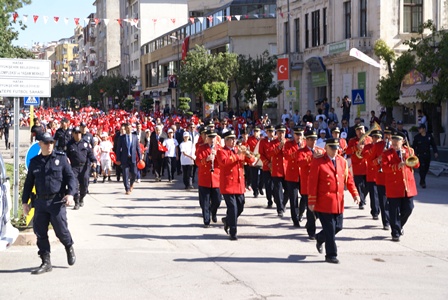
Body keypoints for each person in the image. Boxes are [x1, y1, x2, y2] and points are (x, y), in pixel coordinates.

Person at [21, 132, 77, 274]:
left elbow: (71, 178)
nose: (49, 145)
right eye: (46, 143)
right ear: (40, 144)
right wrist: (24, 202)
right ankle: (46, 262)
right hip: (40, 202)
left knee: (61, 231)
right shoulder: (35, 162)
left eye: (51, 142)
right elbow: (28, 183)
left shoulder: (61, 159)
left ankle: (68, 245)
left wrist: (70, 194)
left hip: (57, 202)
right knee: (40, 233)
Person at [308, 138, 360, 264]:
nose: (335, 151)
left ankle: (320, 237)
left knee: (338, 226)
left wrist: (355, 194)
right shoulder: (319, 162)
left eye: (336, 148)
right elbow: (313, 182)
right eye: (332, 148)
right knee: (330, 230)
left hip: (338, 201)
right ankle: (331, 254)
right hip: (324, 201)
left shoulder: (342, 161)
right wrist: (312, 200)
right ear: (326, 148)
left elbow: (349, 180)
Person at [217, 130, 255, 240]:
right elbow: (224, 162)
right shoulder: (221, 151)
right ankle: (233, 231)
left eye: (234, 139)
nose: (234, 142)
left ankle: (227, 220)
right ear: (226, 141)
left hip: (239, 184)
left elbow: (251, 161)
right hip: (228, 185)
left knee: (241, 206)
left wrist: (247, 154)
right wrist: (238, 155)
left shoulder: (239, 150)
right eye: (231, 139)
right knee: (233, 208)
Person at [382, 131, 419, 241]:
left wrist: (407, 156)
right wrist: (397, 166)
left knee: (409, 208)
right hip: (394, 186)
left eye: (397, 141)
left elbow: (417, 164)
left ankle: (399, 225)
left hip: (407, 186)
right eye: (393, 140)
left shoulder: (409, 151)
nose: (394, 143)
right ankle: (395, 232)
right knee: (394, 211)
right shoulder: (387, 153)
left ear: (402, 142)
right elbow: (385, 168)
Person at [66, 126, 97, 209]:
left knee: (84, 185)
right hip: (74, 167)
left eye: (79, 133)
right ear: (73, 134)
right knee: (74, 185)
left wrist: (94, 161)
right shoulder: (69, 144)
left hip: (84, 167)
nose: (78, 134)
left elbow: (91, 154)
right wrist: (66, 159)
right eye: (76, 133)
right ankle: (76, 201)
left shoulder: (86, 143)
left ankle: (81, 198)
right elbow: (66, 155)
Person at [195, 129, 222, 227]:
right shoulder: (202, 148)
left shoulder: (219, 148)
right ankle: (206, 220)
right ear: (207, 138)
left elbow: (223, 163)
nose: (212, 139)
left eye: (213, 137)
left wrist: (217, 157)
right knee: (205, 201)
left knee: (217, 200)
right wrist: (206, 159)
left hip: (216, 178)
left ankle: (213, 212)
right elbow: (197, 162)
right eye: (210, 137)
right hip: (205, 178)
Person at [346, 123, 372, 210]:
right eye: (358, 130)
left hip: (368, 166)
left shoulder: (369, 139)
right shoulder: (352, 141)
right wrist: (356, 148)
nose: (360, 131)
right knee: (359, 185)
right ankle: (361, 202)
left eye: (361, 129)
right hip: (358, 166)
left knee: (368, 186)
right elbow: (347, 151)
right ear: (356, 132)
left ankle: (362, 198)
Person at [282, 126, 304, 227]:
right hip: (292, 174)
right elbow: (286, 156)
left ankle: (300, 213)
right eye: (297, 134)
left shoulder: (305, 144)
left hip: (303, 174)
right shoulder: (288, 144)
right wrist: (298, 153)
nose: (298, 136)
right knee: (293, 198)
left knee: (305, 197)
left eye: (300, 134)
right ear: (294, 135)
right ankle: (295, 219)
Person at [116, 123, 142, 194]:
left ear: (131, 128)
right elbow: (118, 148)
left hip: (133, 158)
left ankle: (131, 184)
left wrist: (140, 158)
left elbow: (138, 148)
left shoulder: (135, 137)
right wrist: (118, 158)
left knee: (134, 173)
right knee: (125, 174)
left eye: (130, 128)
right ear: (125, 129)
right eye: (127, 128)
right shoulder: (121, 138)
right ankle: (127, 189)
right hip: (124, 158)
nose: (128, 129)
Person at [412, 124, 438, 188]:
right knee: (422, 168)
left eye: (420, 128)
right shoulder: (417, 137)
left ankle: (422, 179)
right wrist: (412, 154)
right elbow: (413, 146)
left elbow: (433, 144)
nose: (419, 130)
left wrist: (435, 152)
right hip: (420, 155)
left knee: (426, 168)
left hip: (427, 155)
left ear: (424, 129)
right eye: (418, 129)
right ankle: (423, 182)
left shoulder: (429, 136)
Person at [258, 125, 276, 207]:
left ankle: (276, 198)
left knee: (275, 185)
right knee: (268, 185)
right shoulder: (263, 141)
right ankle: (269, 200)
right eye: (270, 132)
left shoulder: (276, 140)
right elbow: (261, 154)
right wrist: (267, 163)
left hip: (276, 166)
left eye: (273, 131)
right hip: (267, 166)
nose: (272, 133)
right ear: (267, 132)